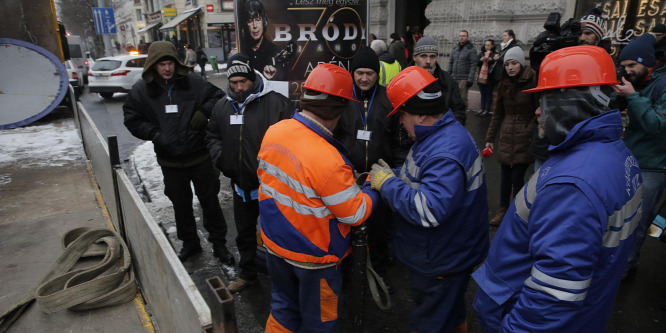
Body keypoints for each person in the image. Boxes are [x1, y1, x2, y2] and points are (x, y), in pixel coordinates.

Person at [473, 45, 642, 333]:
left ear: (571, 102)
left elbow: (551, 297)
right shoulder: (614, 153)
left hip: (518, 312)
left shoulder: (573, 186)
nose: (537, 110)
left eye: (544, 100)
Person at [258, 63, 378, 332]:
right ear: (339, 109)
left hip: (276, 247)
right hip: (315, 260)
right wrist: (372, 187)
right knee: (319, 323)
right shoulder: (329, 159)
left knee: (282, 311)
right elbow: (355, 212)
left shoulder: (275, 132)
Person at [369, 66, 489, 332]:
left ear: (421, 114)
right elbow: (421, 176)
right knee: (450, 311)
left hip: (441, 257)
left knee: (430, 322)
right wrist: (394, 174)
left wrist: (387, 184)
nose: (400, 121)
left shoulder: (444, 150)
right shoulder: (439, 135)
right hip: (449, 251)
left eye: (403, 114)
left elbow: (427, 210)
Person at [122, 41, 234, 265]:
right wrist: (154, 134)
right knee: (180, 204)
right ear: (153, 65)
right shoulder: (141, 90)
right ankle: (190, 243)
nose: (167, 68)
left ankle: (219, 243)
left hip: (200, 157)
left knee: (209, 201)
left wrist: (203, 111)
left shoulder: (192, 82)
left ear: (176, 63)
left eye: (170, 63)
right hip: (170, 160)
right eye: (161, 64)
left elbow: (218, 96)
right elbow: (132, 119)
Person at [206, 53, 295, 293]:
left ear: (252, 78)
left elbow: (293, 140)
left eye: (242, 82)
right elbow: (212, 134)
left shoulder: (276, 103)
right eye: (233, 83)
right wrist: (220, 158)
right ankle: (248, 273)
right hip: (240, 185)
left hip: (272, 187)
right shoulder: (223, 106)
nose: (238, 87)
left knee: (276, 234)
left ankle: (282, 278)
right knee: (244, 233)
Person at [333, 46, 399, 288]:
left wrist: (396, 171)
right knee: (348, 227)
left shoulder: (388, 99)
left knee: (380, 230)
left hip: (380, 179)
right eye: (359, 72)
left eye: (369, 73)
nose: (364, 78)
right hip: (348, 179)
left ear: (377, 74)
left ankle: (379, 272)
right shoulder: (343, 99)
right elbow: (333, 138)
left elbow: (398, 139)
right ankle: (349, 273)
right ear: (352, 73)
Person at [612, 33, 666, 277]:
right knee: (621, 215)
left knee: (639, 221)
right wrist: (618, 94)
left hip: (653, 166)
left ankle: (627, 265)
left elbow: (656, 125)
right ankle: (616, 259)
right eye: (624, 66)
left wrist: (632, 95)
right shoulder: (637, 81)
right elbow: (612, 109)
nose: (628, 70)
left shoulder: (662, 84)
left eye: (632, 65)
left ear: (648, 62)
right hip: (629, 158)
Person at [485, 46, 538, 226]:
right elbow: (498, 112)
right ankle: (502, 210)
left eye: (514, 63)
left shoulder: (532, 80)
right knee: (505, 177)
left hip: (525, 135)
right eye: (507, 64)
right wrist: (490, 138)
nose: (510, 67)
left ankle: (518, 211)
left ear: (521, 63)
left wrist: (529, 129)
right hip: (507, 134)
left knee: (518, 177)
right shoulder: (504, 83)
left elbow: (539, 109)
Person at [411, 36, 467, 125]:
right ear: (415, 57)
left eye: (432, 56)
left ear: (437, 58)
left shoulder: (449, 82)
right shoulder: (404, 81)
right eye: (423, 56)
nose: (428, 61)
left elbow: (459, 112)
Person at [242, 0, 285, 80]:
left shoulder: (276, 51)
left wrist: (274, 75)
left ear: (264, 22)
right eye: (250, 21)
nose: (255, 26)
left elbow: (282, 75)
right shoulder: (242, 51)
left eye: (258, 20)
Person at [448, 30, 477, 108]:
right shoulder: (455, 49)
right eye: (460, 36)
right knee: (452, 98)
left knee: (462, 99)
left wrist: (470, 79)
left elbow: (473, 65)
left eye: (463, 36)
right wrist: (448, 76)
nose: (461, 37)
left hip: (464, 78)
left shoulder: (471, 49)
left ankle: (462, 116)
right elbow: (451, 63)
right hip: (454, 77)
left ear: (467, 37)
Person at [476, 39, 498, 116]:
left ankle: (487, 109)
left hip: (490, 77)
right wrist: (481, 60)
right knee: (483, 93)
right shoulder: (482, 53)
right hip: (481, 77)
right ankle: (482, 107)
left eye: (488, 45)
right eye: (486, 45)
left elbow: (496, 63)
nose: (487, 47)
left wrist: (490, 60)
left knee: (489, 94)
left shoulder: (495, 54)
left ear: (492, 46)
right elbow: (476, 63)